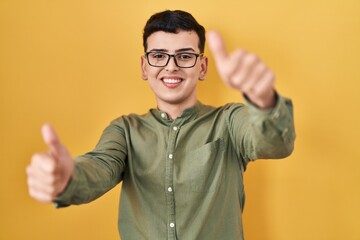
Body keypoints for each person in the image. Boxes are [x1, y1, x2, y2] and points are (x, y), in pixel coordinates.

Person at [26, 10, 295, 240]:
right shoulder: (124, 130)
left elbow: (276, 143)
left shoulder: (228, 121)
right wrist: (68, 178)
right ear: (145, 66)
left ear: (202, 67)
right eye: (159, 55)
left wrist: (264, 100)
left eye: (185, 56)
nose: (171, 66)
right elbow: (99, 167)